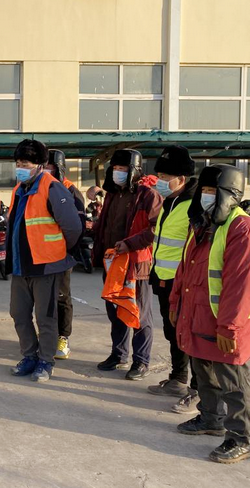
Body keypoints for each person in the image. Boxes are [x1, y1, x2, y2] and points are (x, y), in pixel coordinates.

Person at [170, 164, 250, 464]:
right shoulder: (202, 224)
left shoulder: (244, 230)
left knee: (232, 379)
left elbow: (243, 285)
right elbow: (185, 269)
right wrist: (176, 305)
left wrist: (229, 326)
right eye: (204, 191)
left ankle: (240, 438)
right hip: (197, 313)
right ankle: (210, 418)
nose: (206, 196)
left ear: (231, 194)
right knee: (203, 370)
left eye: (213, 191)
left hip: (227, 320)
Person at [7, 140, 82, 383]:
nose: (21, 168)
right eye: (18, 163)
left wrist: (58, 251)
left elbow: (73, 227)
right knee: (19, 313)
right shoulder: (19, 189)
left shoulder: (53, 188)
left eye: (25, 164)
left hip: (46, 266)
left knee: (46, 317)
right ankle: (29, 356)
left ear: (39, 165)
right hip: (21, 265)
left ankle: (45, 361)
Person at [93, 150, 162, 380]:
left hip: (136, 265)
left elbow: (156, 229)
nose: (118, 173)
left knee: (139, 314)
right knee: (116, 310)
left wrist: (130, 244)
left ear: (134, 170)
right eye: (115, 168)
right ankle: (119, 354)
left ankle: (141, 361)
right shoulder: (113, 194)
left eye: (122, 169)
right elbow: (104, 225)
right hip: (112, 264)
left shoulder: (149, 196)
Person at [146, 146, 200, 413]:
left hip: (184, 283)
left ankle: (199, 391)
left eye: (165, 177)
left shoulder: (195, 206)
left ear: (182, 178)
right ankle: (178, 378)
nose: (159, 181)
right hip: (163, 278)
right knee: (173, 332)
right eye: (159, 175)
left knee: (190, 335)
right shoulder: (170, 201)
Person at [46, 149, 86, 360]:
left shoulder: (71, 191)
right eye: (43, 166)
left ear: (59, 168)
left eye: (50, 167)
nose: (45, 170)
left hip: (62, 255)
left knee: (62, 297)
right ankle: (47, 335)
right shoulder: (36, 188)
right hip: (41, 255)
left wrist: (67, 251)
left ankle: (63, 337)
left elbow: (77, 228)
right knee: (43, 299)